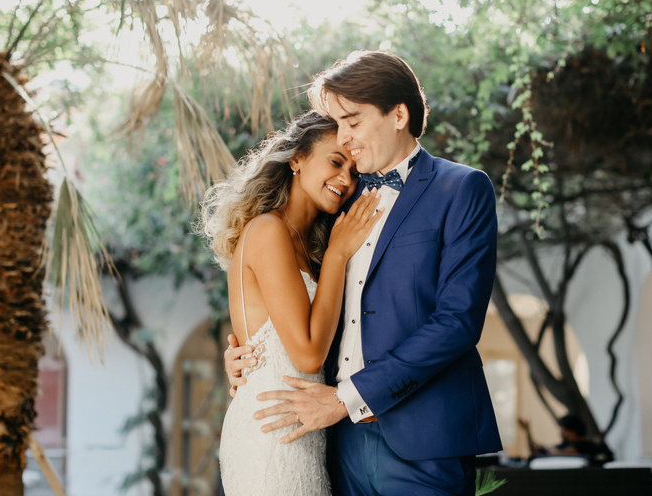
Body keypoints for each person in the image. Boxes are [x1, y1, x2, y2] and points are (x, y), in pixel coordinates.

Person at [225, 51, 503, 495]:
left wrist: (345, 399)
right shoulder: (335, 203)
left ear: (399, 115)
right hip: (333, 445)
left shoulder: (462, 189)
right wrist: (247, 357)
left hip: (424, 440)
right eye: (337, 125)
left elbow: (457, 323)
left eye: (352, 121)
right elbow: (298, 305)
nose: (344, 136)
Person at [200, 111, 384, 496]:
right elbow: (308, 355)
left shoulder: (307, 243)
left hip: (302, 431)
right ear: (297, 159)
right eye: (336, 162)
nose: (346, 179)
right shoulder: (269, 230)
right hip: (272, 433)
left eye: (353, 171)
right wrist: (337, 255)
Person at [519, 414, 609, 461]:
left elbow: (562, 453)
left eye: (564, 431)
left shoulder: (587, 445)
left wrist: (546, 448)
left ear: (573, 432)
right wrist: (527, 432)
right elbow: (535, 451)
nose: (562, 433)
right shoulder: (567, 444)